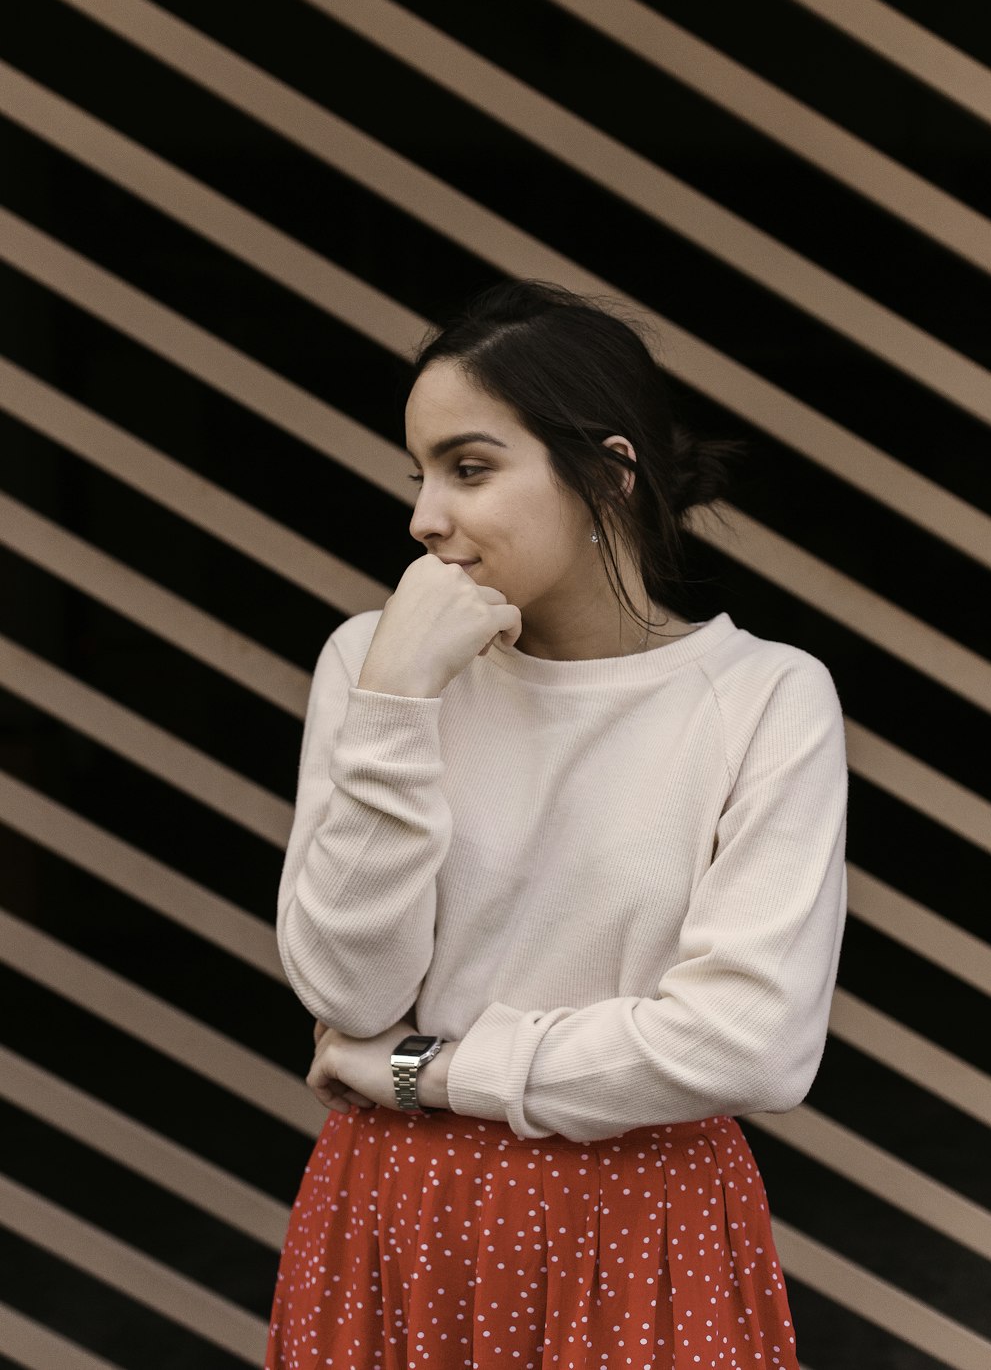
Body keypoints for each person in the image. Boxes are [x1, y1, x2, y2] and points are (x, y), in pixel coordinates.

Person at [264, 280, 849, 1369]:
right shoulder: (377, 663)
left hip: (642, 1221)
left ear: (607, 474)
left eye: (470, 468)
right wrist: (394, 706)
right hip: (397, 1213)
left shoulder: (764, 698)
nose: (424, 518)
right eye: (421, 473)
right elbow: (347, 991)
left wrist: (426, 1071)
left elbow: (749, 1044)